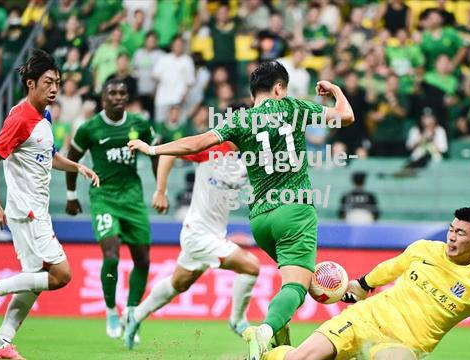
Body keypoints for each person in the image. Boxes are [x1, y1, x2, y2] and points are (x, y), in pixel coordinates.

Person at [127, 60, 354, 359]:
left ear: (252, 94)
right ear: (279, 87)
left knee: (297, 281)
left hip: (260, 220)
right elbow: (346, 117)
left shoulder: (240, 122)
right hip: (294, 210)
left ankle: (279, 338)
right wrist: (335, 90)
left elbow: (196, 143)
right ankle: (264, 330)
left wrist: (152, 149)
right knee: (296, 287)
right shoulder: (293, 107)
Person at [266, 207, 470, 360]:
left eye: (461, 233)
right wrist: (361, 285)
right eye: (451, 229)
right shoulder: (424, 249)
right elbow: (388, 270)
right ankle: (269, 353)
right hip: (364, 318)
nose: (451, 236)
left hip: (401, 345)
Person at [0, 49, 99, 360]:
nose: (54, 88)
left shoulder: (44, 114)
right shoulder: (20, 117)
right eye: (48, 82)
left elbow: (49, 157)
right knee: (62, 274)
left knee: (34, 280)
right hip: (27, 211)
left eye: (57, 82)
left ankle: (1, 344)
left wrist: (77, 167)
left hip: (34, 210)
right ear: (30, 83)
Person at [124, 143, 261, 349]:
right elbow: (167, 154)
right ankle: (237, 320)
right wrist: (161, 191)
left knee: (179, 284)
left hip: (214, 235)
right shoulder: (211, 147)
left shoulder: (249, 157)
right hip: (197, 233)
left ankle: (135, 315)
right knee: (251, 266)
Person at [65, 79, 158, 340]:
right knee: (112, 255)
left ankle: (131, 313)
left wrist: (160, 189)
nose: (117, 97)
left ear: (127, 97)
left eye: (122, 93)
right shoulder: (89, 128)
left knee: (143, 260)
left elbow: (156, 154)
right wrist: (71, 195)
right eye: (112, 93)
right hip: (103, 197)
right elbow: (72, 160)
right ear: (102, 98)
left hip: (133, 199)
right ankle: (110, 311)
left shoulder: (139, 124)